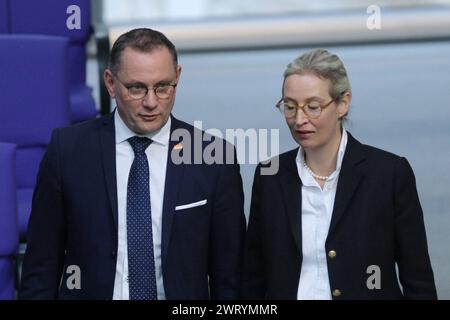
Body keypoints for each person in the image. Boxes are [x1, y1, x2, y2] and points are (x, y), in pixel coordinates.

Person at [19, 28, 246, 300]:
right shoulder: (67, 151)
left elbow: (230, 277)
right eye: (136, 88)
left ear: (178, 77)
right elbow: (41, 266)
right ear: (111, 83)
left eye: (163, 87)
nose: (151, 102)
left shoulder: (213, 157)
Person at [241, 48, 437, 300]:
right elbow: (254, 276)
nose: (299, 119)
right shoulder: (269, 175)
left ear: (343, 103)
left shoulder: (389, 174)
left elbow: (417, 278)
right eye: (289, 107)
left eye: (313, 107)